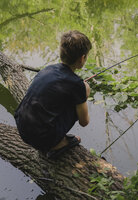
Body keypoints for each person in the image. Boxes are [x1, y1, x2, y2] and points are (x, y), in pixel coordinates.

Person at [14, 30, 92, 159]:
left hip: (22, 128)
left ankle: (51, 136)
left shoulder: (48, 69)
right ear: (82, 58)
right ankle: (57, 144)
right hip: (42, 139)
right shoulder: (77, 85)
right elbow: (84, 122)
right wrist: (84, 92)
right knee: (85, 90)